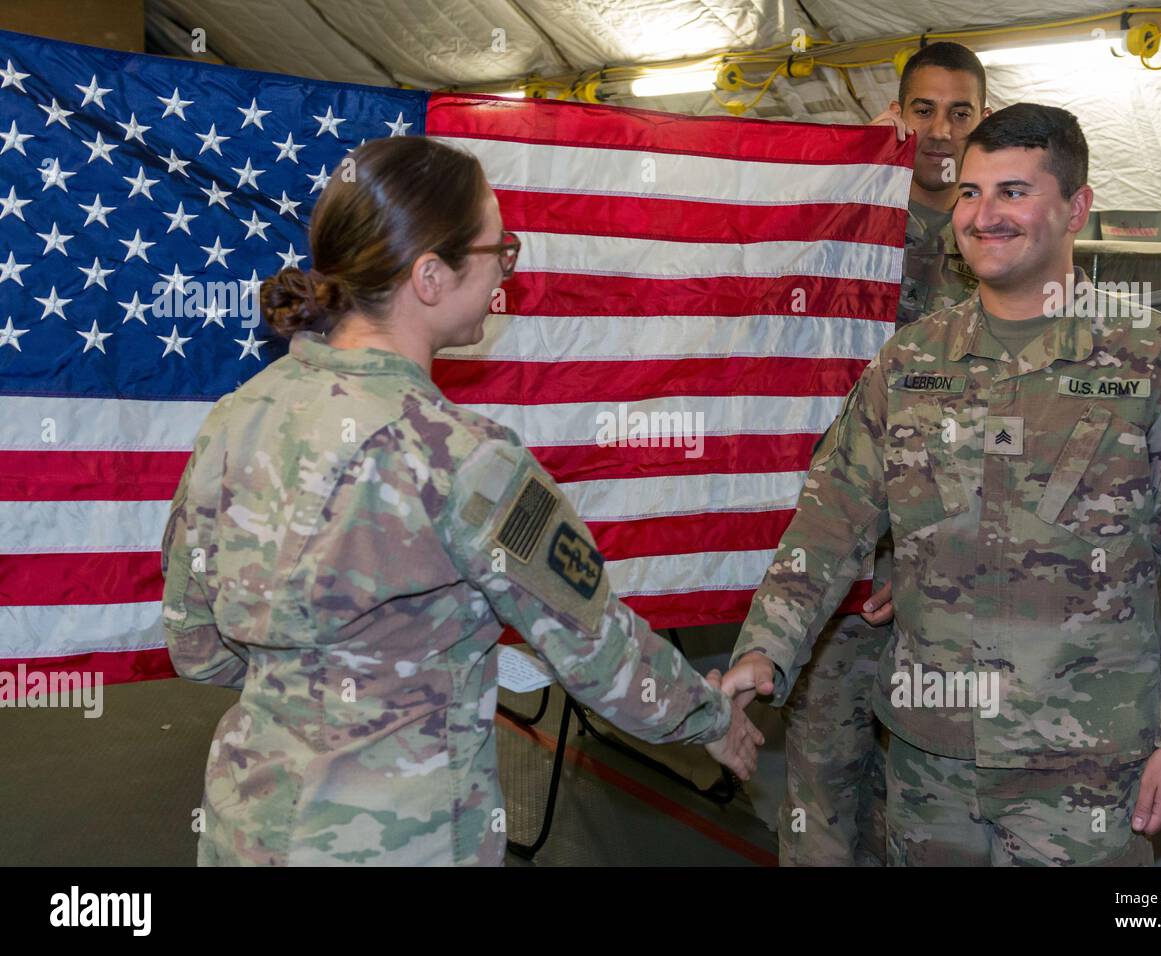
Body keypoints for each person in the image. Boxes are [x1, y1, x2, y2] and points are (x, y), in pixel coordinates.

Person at [160, 136, 764, 866]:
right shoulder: (460, 456)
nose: (508, 270)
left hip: (244, 829)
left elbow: (196, 647)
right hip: (402, 843)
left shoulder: (234, 417)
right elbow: (600, 653)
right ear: (431, 277)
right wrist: (709, 719)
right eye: (497, 251)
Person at [725, 103, 1161, 865]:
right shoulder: (909, 364)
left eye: (1014, 191)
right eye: (971, 193)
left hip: (1083, 765)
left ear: (1077, 208)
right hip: (928, 756)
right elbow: (829, 521)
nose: (984, 215)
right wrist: (764, 650)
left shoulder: (1158, 362)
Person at [778, 41, 989, 867]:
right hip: (841, 559)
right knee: (824, 784)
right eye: (923, 109)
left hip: (944, 575)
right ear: (896, 114)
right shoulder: (848, 218)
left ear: (982, 119)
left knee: (929, 804)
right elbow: (766, 291)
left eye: (960, 112)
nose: (940, 130)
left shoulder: (995, 235)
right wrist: (841, 180)